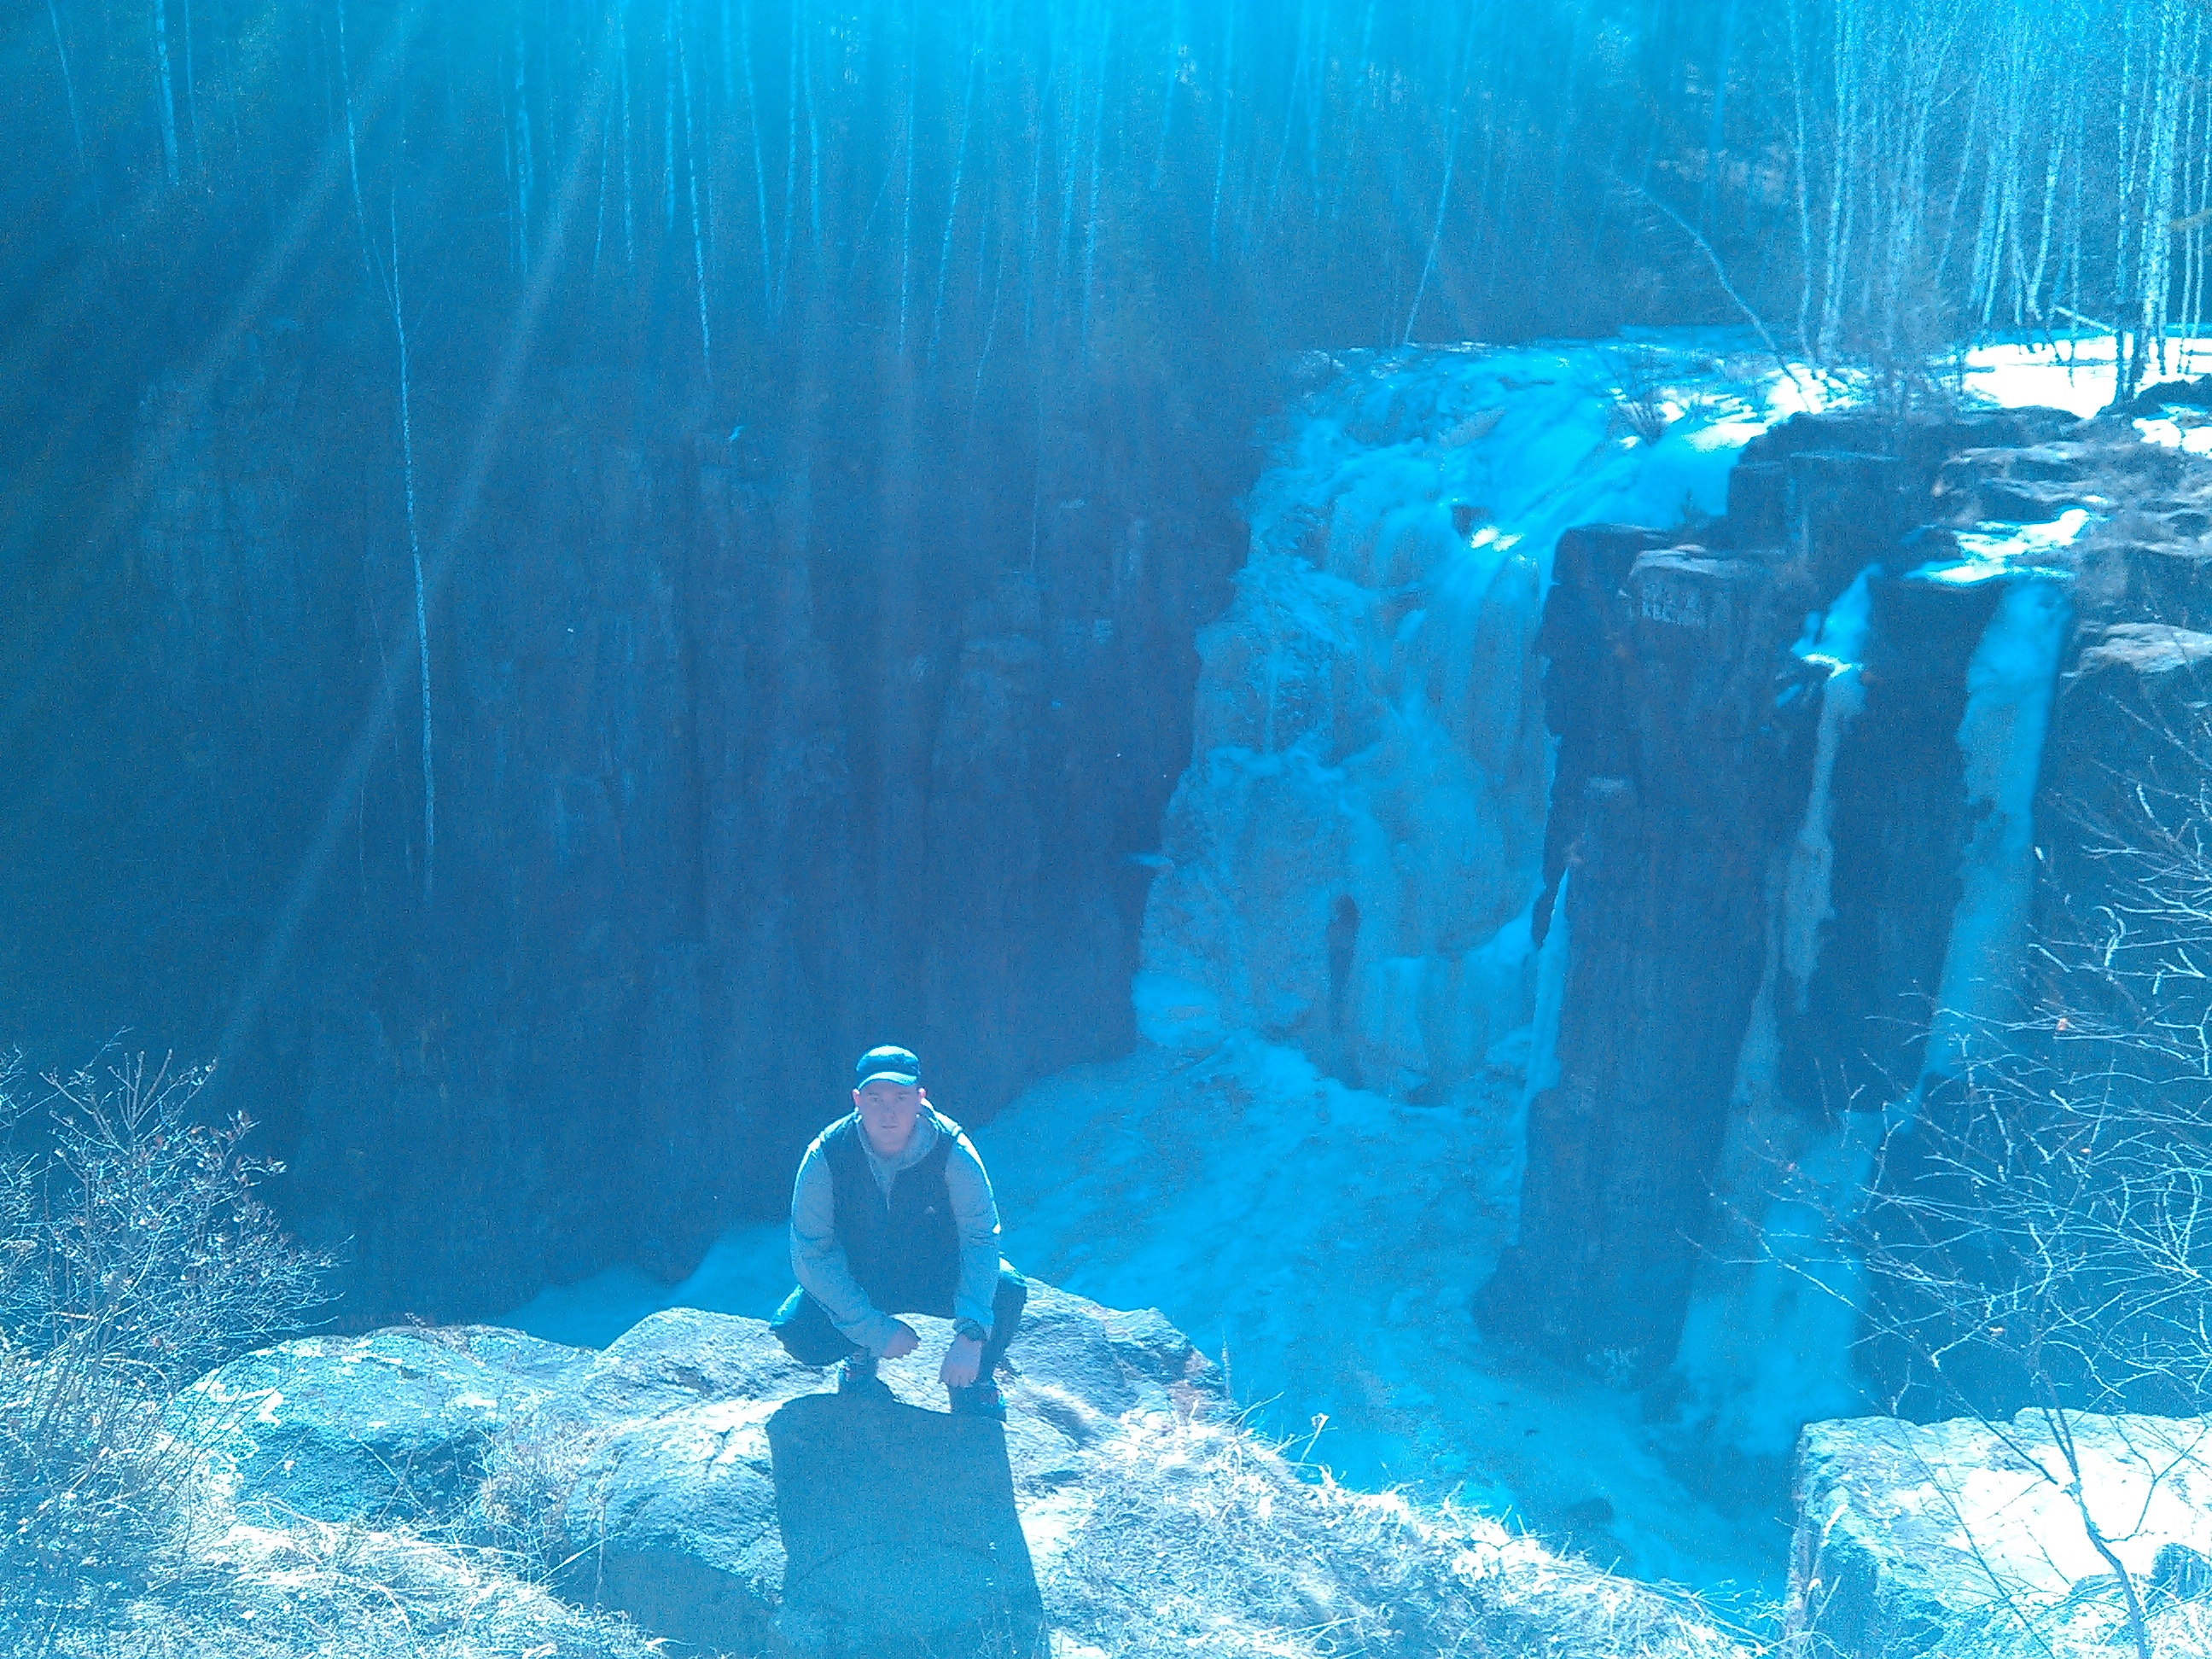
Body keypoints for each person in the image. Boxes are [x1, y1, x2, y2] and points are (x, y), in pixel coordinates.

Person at [771, 1045, 1027, 1419]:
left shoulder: (953, 1150)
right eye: (875, 1098)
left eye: (901, 1097)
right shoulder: (825, 1155)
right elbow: (812, 1255)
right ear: (857, 1100)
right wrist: (871, 1331)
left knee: (1006, 1289)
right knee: (796, 1330)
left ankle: (975, 1380)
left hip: (934, 1271)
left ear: (920, 1098)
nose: (888, 1111)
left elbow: (980, 1238)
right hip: (864, 1276)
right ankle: (859, 1354)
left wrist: (972, 1331)